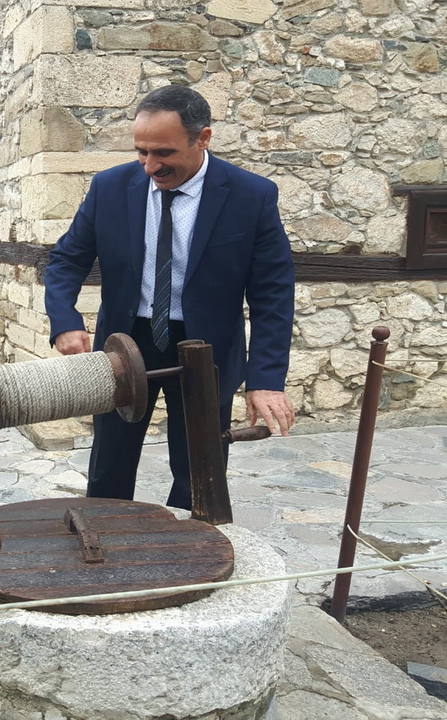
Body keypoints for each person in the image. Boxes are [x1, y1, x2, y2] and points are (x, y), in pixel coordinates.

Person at [44, 84, 296, 511]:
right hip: (124, 345)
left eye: (163, 153)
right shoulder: (109, 187)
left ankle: (190, 539)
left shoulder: (252, 196)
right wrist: (64, 321)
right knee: (109, 463)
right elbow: (66, 259)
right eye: (141, 152)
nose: (149, 166)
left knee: (199, 469)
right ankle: (105, 534)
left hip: (206, 351)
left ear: (203, 138)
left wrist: (266, 380)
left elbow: (273, 293)